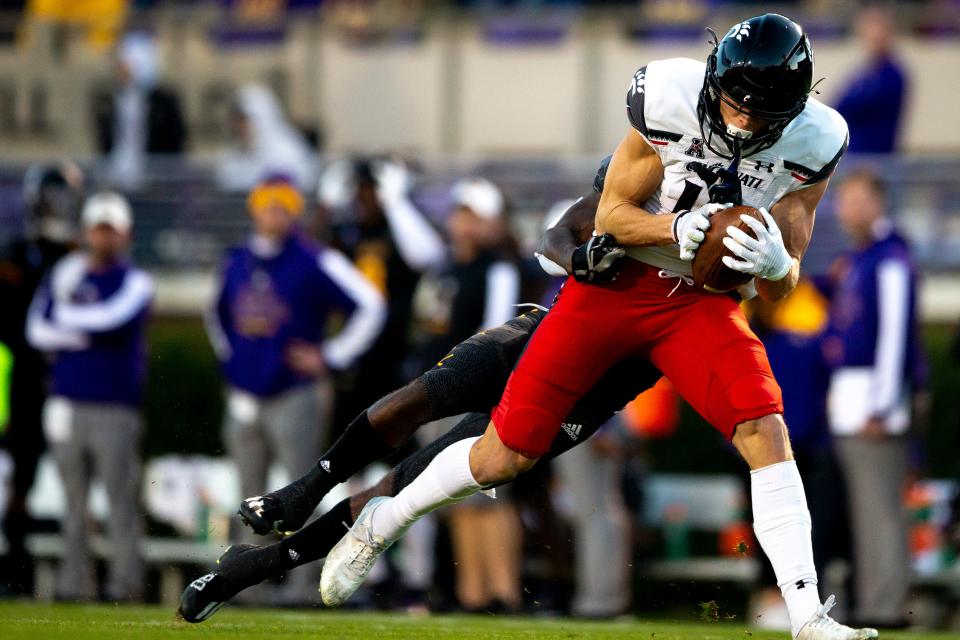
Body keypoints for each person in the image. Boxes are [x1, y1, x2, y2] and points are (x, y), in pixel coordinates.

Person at [319, 14, 878, 640]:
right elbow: (609, 215)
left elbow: (784, 279)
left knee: (764, 428)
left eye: (760, 113)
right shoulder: (668, 96)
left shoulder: (817, 139)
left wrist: (778, 261)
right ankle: (384, 521)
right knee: (507, 453)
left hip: (697, 303)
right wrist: (673, 229)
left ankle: (807, 616)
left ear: (793, 108)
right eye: (733, 104)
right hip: (616, 286)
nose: (742, 122)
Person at [178, 182, 660, 623]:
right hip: (541, 340)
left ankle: (253, 566)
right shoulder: (637, 188)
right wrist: (583, 255)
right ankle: (303, 492)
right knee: (415, 399)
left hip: (584, 391)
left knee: (406, 485)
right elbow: (554, 240)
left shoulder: (696, 267)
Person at [205, 176, 385, 601]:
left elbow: (371, 304)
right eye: (266, 206)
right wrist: (232, 365)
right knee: (247, 494)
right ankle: (246, 585)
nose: (273, 215)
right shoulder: (235, 260)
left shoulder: (312, 258)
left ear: (293, 211)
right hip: (246, 396)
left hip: (294, 393)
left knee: (300, 493)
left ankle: (305, 586)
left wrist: (333, 354)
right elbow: (216, 315)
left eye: (281, 207)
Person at [26, 192, 152, 602]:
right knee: (73, 503)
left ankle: (125, 585)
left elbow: (111, 318)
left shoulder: (134, 280)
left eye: (110, 230)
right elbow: (36, 330)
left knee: (120, 501)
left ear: (126, 235)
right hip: (67, 402)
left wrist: (68, 325)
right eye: (98, 229)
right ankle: (73, 585)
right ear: (86, 232)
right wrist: (82, 333)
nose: (103, 238)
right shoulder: (66, 273)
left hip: (114, 405)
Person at [822, 169, 921, 629]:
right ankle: (875, 599)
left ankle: (886, 603)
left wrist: (882, 405)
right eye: (844, 201)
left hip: (872, 403)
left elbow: (895, 339)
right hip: (852, 401)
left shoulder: (890, 258)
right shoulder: (860, 258)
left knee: (880, 509)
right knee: (866, 509)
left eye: (856, 200)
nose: (847, 210)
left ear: (877, 203)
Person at [316, 158, 446, 444]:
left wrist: (394, 201)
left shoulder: (401, 227)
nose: (363, 197)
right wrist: (327, 205)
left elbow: (428, 255)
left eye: (369, 189)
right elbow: (314, 257)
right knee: (345, 445)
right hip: (354, 358)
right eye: (359, 189)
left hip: (395, 353)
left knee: (398, 445)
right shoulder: (347, 232)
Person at [0, 162, 83, 595]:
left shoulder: (77, 257)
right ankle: (15, 566)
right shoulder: (18, 255)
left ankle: (77, 574)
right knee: (21, 475)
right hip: (26, 378)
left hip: (70, 380)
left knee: (78, 477)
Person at [93, 32, 187, 190]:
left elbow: (175, 142)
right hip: (117, 181)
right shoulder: (112, 101)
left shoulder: (164, 103)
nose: (119, 70)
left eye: (125, 65)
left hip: (154, 184)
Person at [835, 6, 908, 154]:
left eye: (879, 30)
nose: (873, 37)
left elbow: (858, 107)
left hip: (875, 158)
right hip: (851, 156)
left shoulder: (892, 75)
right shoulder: (861, 74)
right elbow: (838, 107)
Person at [215, 85, 316, 192]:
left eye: (243, 120)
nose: (237, 126)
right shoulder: (232, 157)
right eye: (235, 120)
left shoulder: (289, 154)